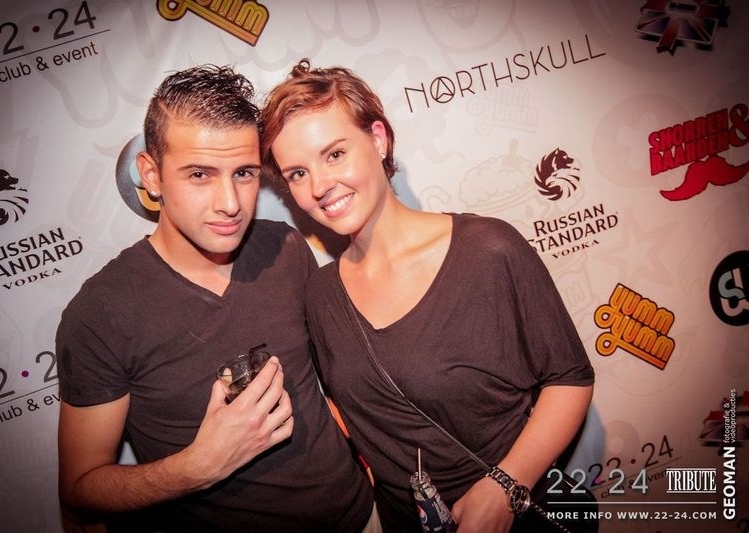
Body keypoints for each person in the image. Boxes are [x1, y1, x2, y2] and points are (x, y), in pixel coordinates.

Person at [260, 59, 595, 533]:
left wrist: (505, 486)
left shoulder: (487, 250)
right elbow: (357, 412)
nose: (318, 186)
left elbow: (570, 379)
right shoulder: (321, 295)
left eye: (334, 154)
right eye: (297, 173)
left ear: (378, 139)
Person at [56, 64, 376, 532]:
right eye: (200, 174)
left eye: (244, 173)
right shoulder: (101, 314)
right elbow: (80, 488)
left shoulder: (285, 249)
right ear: (151, 175)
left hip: (362, 516)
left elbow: (331, 385)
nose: (229, 202)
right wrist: (197, 467)